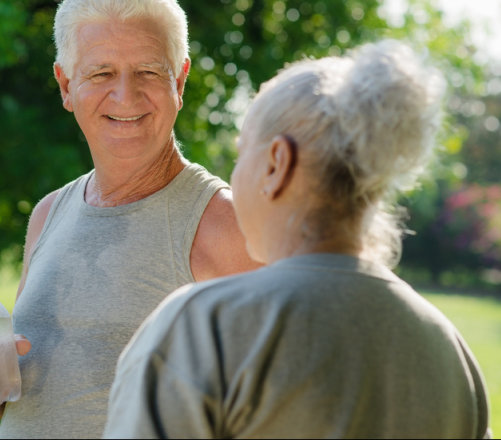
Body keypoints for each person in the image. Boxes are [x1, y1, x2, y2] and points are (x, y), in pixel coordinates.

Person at [104, 41, 492, 439]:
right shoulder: (449, 352)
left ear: (276, 163)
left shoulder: (203, 325)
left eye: (241, 155)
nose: (234, 179)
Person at [0, 0, 261, 439]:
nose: (126, 96)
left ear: (181, 80)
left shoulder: (226, 224)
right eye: (101, 73)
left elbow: (293, 400)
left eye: (149, 71)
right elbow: (37, 406)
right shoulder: (49, 214)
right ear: (66, 85)